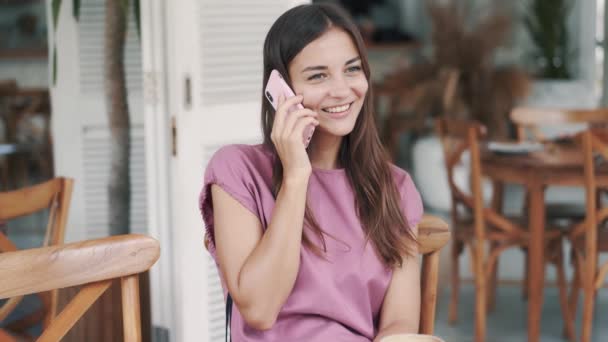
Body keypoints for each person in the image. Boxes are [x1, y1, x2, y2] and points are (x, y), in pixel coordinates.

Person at [199, 3, 423, 341]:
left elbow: (399, 326)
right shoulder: (237, 170)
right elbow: (259, 311)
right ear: (280, 90)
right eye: (318, 75)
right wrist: (295, 176)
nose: (342, 89)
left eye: (352, 69)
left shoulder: (396, 187)